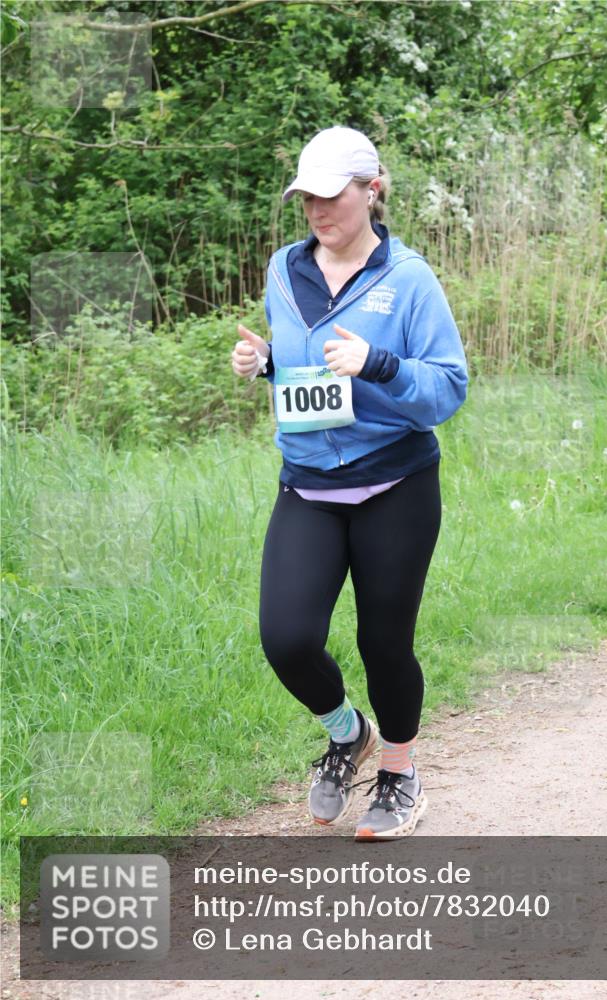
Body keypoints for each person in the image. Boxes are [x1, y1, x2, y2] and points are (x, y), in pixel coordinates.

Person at [231, 125, 468, 840]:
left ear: (371, 191)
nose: (316, 212)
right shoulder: (283, 269)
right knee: (287, 637)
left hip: (394, 485)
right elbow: (309, 371)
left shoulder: (409, 279)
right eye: (305, 198)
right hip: (306, 483)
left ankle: (398, 772)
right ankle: (346, 734)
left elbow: (447, 390)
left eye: (330, 197)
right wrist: (269, 364)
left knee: (383, 643)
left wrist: (380, 365)